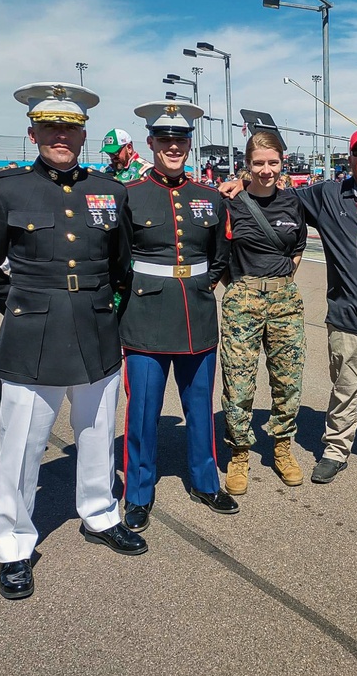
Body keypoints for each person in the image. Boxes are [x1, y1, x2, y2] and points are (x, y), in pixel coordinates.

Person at [0, 82, 143, 601]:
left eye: (70, 128)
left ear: (84, 134)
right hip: (32, 334)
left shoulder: (110, 191)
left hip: (95, 329)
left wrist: (105, 310)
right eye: (50, 127)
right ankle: (14, 545)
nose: (61, 136)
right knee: (22, 446)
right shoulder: (6, 190)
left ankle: (100, 514)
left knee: (96, 432)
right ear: (33, 132)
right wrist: (22, 306)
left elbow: (121, 265)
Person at [220, 126, 357, 493]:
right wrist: (241, 183)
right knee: (344, 390)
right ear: (350, 159)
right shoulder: (327, 194)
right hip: (347, 316)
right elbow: (272, 193)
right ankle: (335, 451)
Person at [119, 100, 238, 530]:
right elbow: (118, 260)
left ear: (189, 145)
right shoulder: (128, 196)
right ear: (150, 142)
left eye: (180, 140)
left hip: (196, 315)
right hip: (145, 318)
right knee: (143, 413)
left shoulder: (208, 197)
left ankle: (206, 482)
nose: (173, 147)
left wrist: (203, 285)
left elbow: (221, 255)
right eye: (165, 140)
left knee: (200, 408)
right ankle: (138, 492)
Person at [212, 131, 307, 496]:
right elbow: (218, 255)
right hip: (243, 298)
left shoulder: (293, 203)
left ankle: (282, 446)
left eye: (272, 162)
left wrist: (280, 283)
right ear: (246, 166)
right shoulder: (231, 203)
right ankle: (239, 452)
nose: (266, 170)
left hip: (284, 298)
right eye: (258, 163)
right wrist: (239, 289)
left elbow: (296, 249)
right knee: (238, 382)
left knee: (288, 380)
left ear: (282, 163)